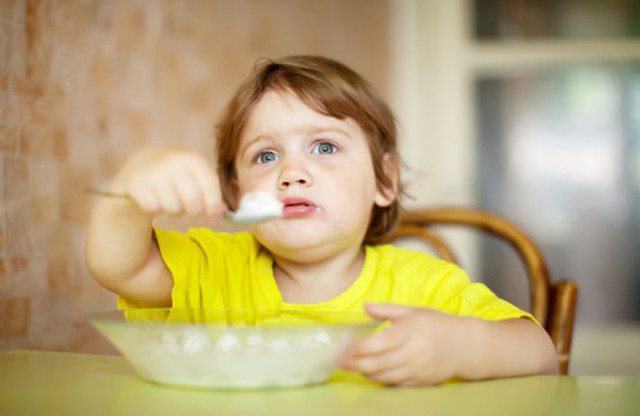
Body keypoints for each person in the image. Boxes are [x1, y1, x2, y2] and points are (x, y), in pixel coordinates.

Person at [85, 55, 558, 386]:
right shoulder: (214, 267)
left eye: (325, 147)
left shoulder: (422, 285)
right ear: (234, 192)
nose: (292, 174)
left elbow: (540, 354)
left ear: (383, 181)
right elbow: (117, 266)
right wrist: (130, 189)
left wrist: (460, 347)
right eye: (266, 155)